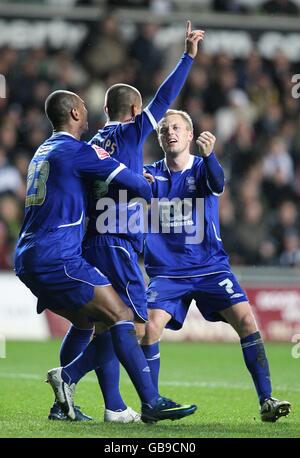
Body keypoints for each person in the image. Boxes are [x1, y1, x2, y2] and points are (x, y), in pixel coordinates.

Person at [49, 21, 205, 423]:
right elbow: (166, 96)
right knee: (134, 323)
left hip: (90, 240)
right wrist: (187, 57)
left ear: (104, 110)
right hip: (118, 241)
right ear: (136, 111)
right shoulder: (134, 130)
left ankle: (113, 407)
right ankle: (71, 378)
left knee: (104, 324)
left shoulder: (91, 141)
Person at [14, 91, 197, 424]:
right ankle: (144, 399)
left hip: (29, 256)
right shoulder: (78, 151)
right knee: (123, 317)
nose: (88, 113)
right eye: (82, 108)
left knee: (88, 322)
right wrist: (149, 181)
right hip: (58, 257)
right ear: (72, 113)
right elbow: (134, 184)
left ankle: (68, 405)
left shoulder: (43, 150)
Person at [141, 109, 291, 423]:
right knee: (150, 327)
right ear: (159, 138)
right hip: (167, 272)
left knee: (247, 321)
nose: (171, 132)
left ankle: (266, 400)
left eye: (177, 128)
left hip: (210, 267)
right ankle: (150, 404)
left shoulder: (203, 167)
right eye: (165, 129)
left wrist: (210, 156)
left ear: (189, 135)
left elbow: (218, 182)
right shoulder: (148, 175)